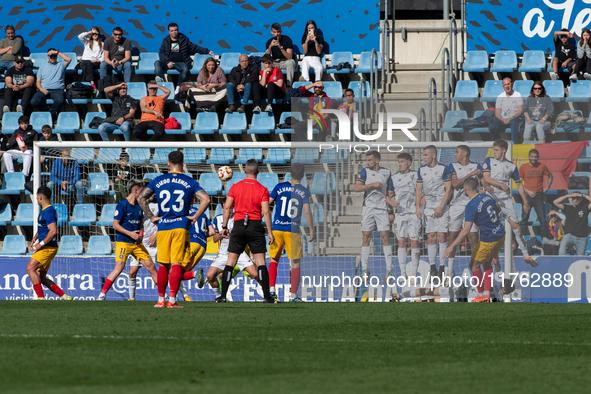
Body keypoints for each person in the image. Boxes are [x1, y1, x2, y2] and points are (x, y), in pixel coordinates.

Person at [139, 151, 210, 308]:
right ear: (183, 163)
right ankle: (172, 301)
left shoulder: (159, 180)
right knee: (176, 263)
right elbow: (206, 199)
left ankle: (160, 301)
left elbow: (140, 198)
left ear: (168, 163)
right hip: (180, 227)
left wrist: (151, 217)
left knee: (163, 265)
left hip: (163, 227)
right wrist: (195, 216)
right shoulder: (189, 181)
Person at [217, 159, 274, 303]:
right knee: (261, 263)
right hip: (255, 226)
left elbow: (227, 207)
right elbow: (266, 212)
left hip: (238, 225)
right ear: (258, 171)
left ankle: (223, 296)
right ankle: (267, 297)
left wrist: (224, 227)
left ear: (244, 171)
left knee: (230, 262)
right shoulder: (263, 189)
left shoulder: (235, 187)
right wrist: (270, 232)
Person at [444, 178, 505, 303]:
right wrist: (484, 222)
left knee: (475, 266)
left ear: (465, 190)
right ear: (476, 187)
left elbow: (466, 230)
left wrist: (451, 247)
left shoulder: (470, 205)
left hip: (489, 239)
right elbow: (498, 209)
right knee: (478, 263)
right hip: (500, 234)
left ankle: (483, 295)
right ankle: (485, 293)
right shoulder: (486, 197)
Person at [97, 180, 159, 300]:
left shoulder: (140, 205)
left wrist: (140, 234)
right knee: (119, 268)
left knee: (151, 266)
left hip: (137, 243)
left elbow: (141, 222)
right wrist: (130, 234)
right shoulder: (122, 204)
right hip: (124, 242)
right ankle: (102, 294)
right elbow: (115, 225)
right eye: (142, 191)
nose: (144, 193)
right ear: (136, 191)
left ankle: (163, 295)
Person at [482, 139, 537, 267]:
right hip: (491, 198)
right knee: (492, 228)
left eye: (496, 150)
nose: (494, 152)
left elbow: (519, 184)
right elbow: (486, 178)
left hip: (505, 199)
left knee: (516, 228)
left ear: (503, 151)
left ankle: (526, 255)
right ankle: (494, 257)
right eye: (494, 149)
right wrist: (501, 185)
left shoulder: (512, 166)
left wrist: (525, 202)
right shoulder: (489, 161)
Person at [268, 162, 315, 302]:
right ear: (303, 175)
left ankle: (271, 291)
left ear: (290, 174)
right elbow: (307, 211)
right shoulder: (304, 191)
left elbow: (269, 202)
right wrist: (311, 230)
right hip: (292, 230)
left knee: (273, 260)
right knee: (295, 263)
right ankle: (293, 296)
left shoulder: (279, 186)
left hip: (277, 229)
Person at [26, 186, 72, 300]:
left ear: (40, 197)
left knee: (30, 268)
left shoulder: (49, 211)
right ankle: (64, 296)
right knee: (41, 277)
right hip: (46, 246)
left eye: (37, 197)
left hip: (47, 247)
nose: (36, 200)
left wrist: (39, 244)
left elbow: (53, 231)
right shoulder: (44, 210)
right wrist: (36, 237)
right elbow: (44, 227)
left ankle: (41, 298)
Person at [416, 145, 453, 279]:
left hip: (442, 208)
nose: (423, 157)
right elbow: (419, 190)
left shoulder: (444, 168)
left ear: (433, 155)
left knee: (442, 237)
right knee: (431, 237)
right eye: (423, 155)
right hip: (428, 209)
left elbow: (448, 189)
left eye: (426, 155)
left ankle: (442, 267)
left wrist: (442, 206)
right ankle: (432, 267)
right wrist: (417, 208)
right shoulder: (421, 170)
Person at [354, 151, 393, 279]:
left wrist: (391, 208)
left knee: (385, 237)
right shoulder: (365, 171)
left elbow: (389, 192)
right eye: (367, 160)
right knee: (366, 238)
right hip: (368, 209)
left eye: (370, 160)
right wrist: (371, 185)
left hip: (382, 209)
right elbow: (357, 188)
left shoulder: (387, 172)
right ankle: (364, 269)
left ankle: (388, 270)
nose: (367, 162)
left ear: (377, 160)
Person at [207, 206, 261, 301]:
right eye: (227, 208)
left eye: (231, 208)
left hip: (239, 253)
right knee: (210, 276)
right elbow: (215, 240)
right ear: (222, 208)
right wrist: (221, 233)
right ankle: (219, 297)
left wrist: (251, 253)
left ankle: (269, 293)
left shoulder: (239, 218)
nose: (230, 210)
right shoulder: (218, 219)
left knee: (255, 274)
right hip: (224, 255)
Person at [446, 145, 482, 276]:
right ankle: (450, 269)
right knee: (453, 236)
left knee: (473, 237)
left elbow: (481, 185)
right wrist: (472, 174)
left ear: (465, 153)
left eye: (457, 152)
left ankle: (474, 267)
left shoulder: (477, 165)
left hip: (471, 204)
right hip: (456, 205)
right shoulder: (453, 166)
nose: (455, 154)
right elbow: (455, 184)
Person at [388, 153, 420, 278]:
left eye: (402, 161)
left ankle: (413, 273)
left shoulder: (416, 175)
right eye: (399, 162)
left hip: (413, 213)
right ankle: (402, 272)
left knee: (414, 242)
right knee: (401, 242)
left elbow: (423, 190)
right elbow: (388, 195)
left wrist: (421, 200)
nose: (399, 164)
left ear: (409, 162)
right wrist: (391, 208)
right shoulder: (393, 178)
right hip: (400, 214)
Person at [155, 22, 213, 88]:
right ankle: (160, 79)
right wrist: (167, 62)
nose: (174, 32)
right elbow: (161, 53)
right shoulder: (165, 41)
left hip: (180, 63)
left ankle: (179, 86)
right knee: (157, 63)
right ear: (169, 32)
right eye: (172, 31)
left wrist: (207, 51)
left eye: (175, 30)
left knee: (185, 69)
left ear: (178, 30)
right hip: (168, 63)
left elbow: (194, 47)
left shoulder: (184, 40)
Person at [518, 149, 553, 235]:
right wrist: (528, 191)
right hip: (527, 196)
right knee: (524, 220)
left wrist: (547, 188)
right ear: (528, 157)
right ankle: (524, 240)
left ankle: (543, 240)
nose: (533, 158)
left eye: (535, 157)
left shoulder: (542, 166)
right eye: (532, 157)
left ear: (538, 157)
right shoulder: (523, 167)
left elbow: (550, 176)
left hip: (538, 195)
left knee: (542, 220)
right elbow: (519, 183)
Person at [30, 48, 71, 120]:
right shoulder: (42, 67)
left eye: (54, 56)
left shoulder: (60, 65)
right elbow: (38, 82)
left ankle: (49, 114)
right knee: (34, 102)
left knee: (60, 101)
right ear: (47, 56)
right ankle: (51, 113)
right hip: (44, 89)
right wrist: (42, 89)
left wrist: (57, 52)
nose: (53, 58)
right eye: (51, 56)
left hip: (57, 90)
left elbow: (69, 59)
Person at [488, 77, 523, 144]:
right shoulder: (500, 96)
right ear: (503, 86)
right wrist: (502, 119)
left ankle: (514, 144)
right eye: (505, 85)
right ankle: (498, 144)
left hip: (514, 118)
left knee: (514, 123)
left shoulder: (517, 95)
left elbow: (520, 110)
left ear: (512, 84)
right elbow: (497, 112)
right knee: (492, 126)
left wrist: (511, 118)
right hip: (502, 119)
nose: (507, 86)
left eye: (508, 84)